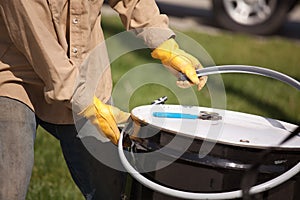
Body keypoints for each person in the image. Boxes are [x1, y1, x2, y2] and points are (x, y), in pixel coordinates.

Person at [0, 0, 207, 199]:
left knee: (113, 190)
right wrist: (86, 102)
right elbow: (35, 38)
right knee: (9, 188)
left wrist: (165, 46)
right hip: (15, 76)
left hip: (87, 75)